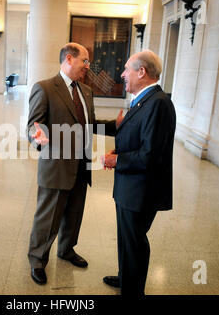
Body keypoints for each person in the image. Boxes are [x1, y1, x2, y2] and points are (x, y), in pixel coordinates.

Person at [26, 43, 118, 285]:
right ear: (69, 58)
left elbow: (90, 123)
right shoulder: (45, 88)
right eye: (84, 61)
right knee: (48, 217)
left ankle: (66, 250)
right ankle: (37, 260)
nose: (87, 67)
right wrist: (37, 136)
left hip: (81, 165)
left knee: (74, 214)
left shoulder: (86, 91)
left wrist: (116, 125)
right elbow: (33, 124)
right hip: (57, 166)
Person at [101, 50, 176, 298]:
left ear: (141, 72)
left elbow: (151, 155)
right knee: (126, 237)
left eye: (126, 69)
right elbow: (140, 139)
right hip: (130, 185)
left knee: (134, 241)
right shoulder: (144, 100)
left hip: (141, 189)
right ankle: (126, 277)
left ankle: (133, 290)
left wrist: (118, 159)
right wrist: (120, 150)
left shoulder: (158, 103)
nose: (122, 74)